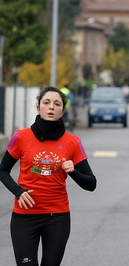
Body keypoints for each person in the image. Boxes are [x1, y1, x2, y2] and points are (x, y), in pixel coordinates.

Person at [0, 86, 97, 266]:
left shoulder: (73, 142)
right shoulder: (21, 137)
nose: (51, 107)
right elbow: (2, 170)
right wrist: (18, 191)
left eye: (56, 104)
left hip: (58, 216)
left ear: (63, 111)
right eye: (46, 103)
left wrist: (73, 172)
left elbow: (91, 183)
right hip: (25, 216)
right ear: (38, 108)